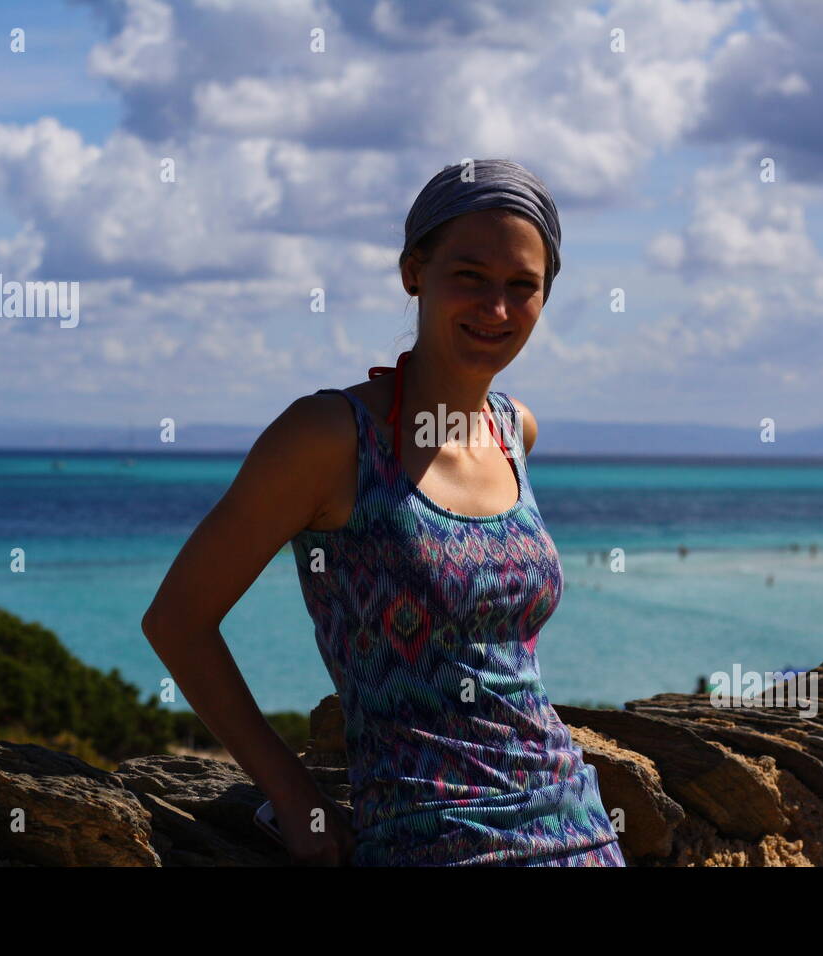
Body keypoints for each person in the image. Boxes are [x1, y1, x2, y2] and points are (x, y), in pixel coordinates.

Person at [142, 158, 625, 867]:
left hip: (578, 828)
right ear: (413, 273)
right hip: (428, 840)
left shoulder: (515, 430)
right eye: (469, 275)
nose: (496, 308)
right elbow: (178, 619)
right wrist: (295, 794)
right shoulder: (330, 437)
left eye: (522, 286)